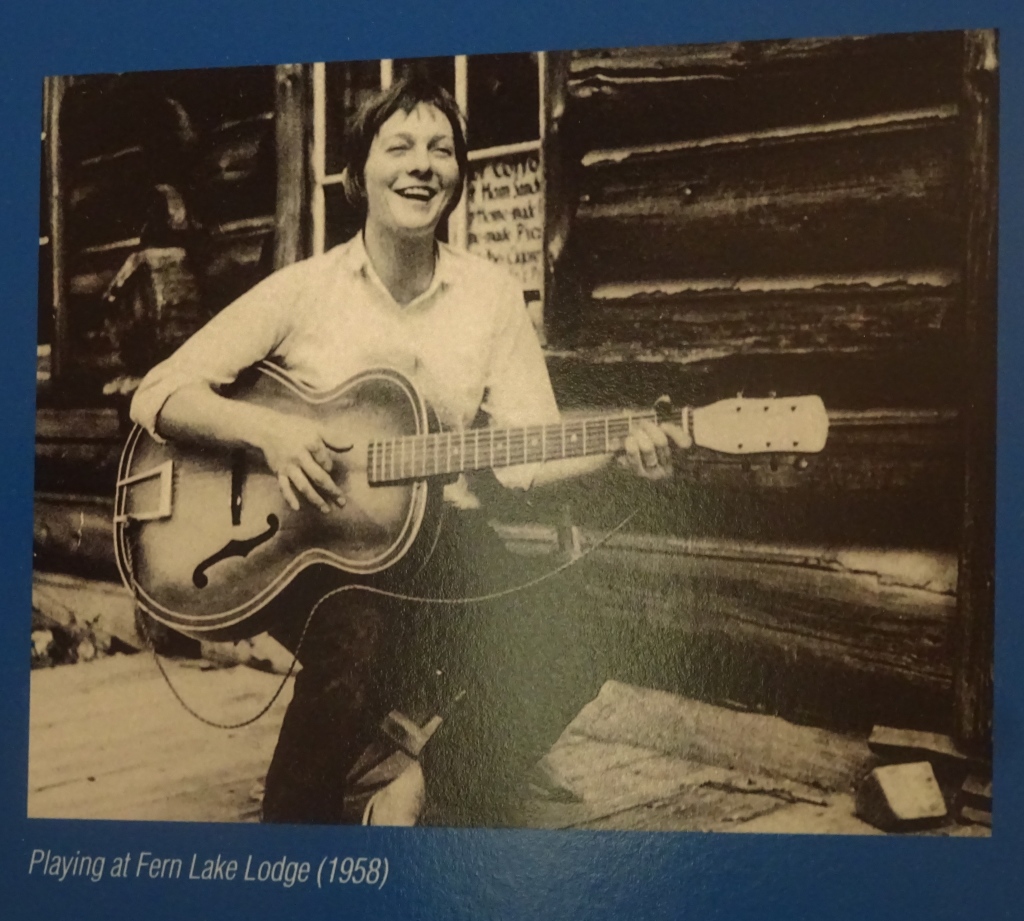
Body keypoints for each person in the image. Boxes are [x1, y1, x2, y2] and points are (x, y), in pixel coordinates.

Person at [130, 75, 690, 826]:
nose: (422, 165)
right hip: (314, 546)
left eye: (442, 149)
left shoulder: (491, 295)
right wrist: (276, 432)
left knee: (579, 628)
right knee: (355, 638)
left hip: (439, 542)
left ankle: (424, 791)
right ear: (358, 174)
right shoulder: (304, 290)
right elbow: (158, 393)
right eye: (399, 147)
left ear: (460, 175)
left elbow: (526, 452)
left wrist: (622, 447)